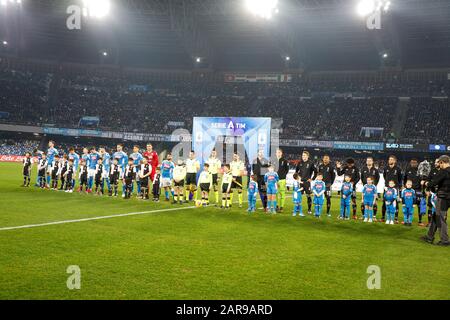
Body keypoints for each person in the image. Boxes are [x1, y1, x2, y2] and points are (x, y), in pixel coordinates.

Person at [421, 155, 450, 246]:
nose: (438, 165)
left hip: (443, 197)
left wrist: (425, 183)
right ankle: (429, 236)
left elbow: (434, 182)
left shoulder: (444, 171)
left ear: (442, 162)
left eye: (439, 163)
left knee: (440, 218)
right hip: (448, 197)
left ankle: (444, 240)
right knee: (435, 217)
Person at [382, 155, 403, 223]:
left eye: (391, 159)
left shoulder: (398, 169)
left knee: (395, 203)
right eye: (389, 159)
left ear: (394, 161)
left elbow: (400, 179)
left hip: (395, 188)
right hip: (387, 188)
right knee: (385, 202)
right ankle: (383, 217)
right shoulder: (386, 168)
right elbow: (385, 177)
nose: (390, 160)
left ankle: (395, 218)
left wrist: (398, 187)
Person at [403, 159, 424, 225]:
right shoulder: (407, 170)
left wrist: (422, 189)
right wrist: (404, 186)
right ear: (410, 163)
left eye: (415, 163)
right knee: (407, 205)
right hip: (409, 190)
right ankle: (407, 220)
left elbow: (422, 180)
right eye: (412, 162)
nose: (413, 164)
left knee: (419, 205)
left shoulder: (420, 171)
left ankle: (420, 221)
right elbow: (404, 179)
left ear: (417, 163)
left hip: (418, 190)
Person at [426, 159, 440, 226]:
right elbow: (428, 180)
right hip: (432, 193)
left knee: (441, 208)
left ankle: (440, 223)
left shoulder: (444, 171)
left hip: (440, 193)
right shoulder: (432, 171)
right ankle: (429, 222)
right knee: (430, 207)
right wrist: (428, 190)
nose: (435, 163)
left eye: (437, 162)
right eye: (435, 162)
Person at [276, 148, 290, 213]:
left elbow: (287, 170)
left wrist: (282, 176)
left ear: (281, 153)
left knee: (282, 194)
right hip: (275, 180)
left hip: (282, 180)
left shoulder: (285, 161)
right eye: (277, 152)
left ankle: (281, 207)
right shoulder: (273, 160)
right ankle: (276, 206)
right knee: (275, 193)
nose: (278, 153)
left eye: (279, 152)